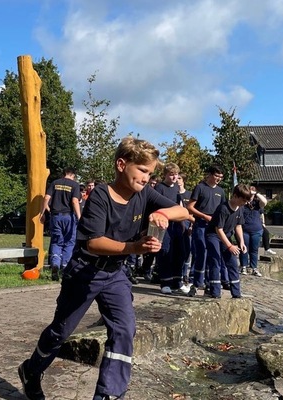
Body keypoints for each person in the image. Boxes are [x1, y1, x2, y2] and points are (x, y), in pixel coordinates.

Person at [17, 137, 190, 400]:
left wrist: (163, 214)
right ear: (122, 164)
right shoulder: (99, 195)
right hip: (85, 271)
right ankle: (31, 370)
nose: (146, 178)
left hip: (115, 274)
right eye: (142, 170)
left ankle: (109, 394)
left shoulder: (144, 194)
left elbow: (184, 212)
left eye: (150, 173)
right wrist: (134, 248)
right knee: (61, 331)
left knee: (124, 328)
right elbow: (94, 242)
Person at [199, 184, 251, 298]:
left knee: (232, 262)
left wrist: (241, 242)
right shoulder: (223, 208)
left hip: (226, 235)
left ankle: (236, 293)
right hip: (213, 235)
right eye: (243, 200)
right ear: (235, 196)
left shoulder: (240, 208)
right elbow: (219, 229)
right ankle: (215, 291)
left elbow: (238, 226)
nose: (245, 203)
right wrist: (229, 246)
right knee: (216, 261)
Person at [185, 165, 225, 293]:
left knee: (213, 255)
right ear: (210, 175)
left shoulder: (221, 191)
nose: (218, 179)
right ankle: (196, 282)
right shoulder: (200, 187)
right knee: (201, 253)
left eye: (220, 177)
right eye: (216, 176)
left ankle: (210, 283)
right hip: (201, 225)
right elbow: (190, 207)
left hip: (214, 227)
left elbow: (223, 209)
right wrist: (204, 216)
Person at [40, 168, 82, 281]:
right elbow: (74, 201)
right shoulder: (74, 185)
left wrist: (43, 212)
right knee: (69, 242)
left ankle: (55, 264)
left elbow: (46, 198)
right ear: (73, 175)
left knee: (56, 241)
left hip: (55, 216)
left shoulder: (55, 183)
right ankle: (65, 266)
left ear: (64, 174)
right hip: (68, 216)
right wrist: (79, 217)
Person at [153, 163, 185, 294]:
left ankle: (177, 281)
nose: (174, 177)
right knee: (165, 252)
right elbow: (154, 205)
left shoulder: (177, 188)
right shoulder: (160, 188)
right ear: (165, 175)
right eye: (171, 174)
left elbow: (180, 205)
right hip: (164, 223)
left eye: (176, 174)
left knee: (179, 252)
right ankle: (165, 282)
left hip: (176, 224)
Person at [239, 185, 267, 277]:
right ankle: (243, 266)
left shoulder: (257, 203)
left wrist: (256, 194)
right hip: (244, 229)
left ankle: (254, 267)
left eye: (252, 193)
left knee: (254, 250)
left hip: (256, 230)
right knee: (244, 248)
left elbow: (264, 202)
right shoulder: (243, 203)